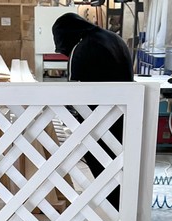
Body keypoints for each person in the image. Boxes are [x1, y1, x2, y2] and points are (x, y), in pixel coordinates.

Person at [52, 13, 133, 210]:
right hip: (124, 114)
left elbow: (74, 93)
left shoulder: (82, 47)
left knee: (102, 166)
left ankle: (113, 210)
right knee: (119, 167)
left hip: (98, 120)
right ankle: (123, 208)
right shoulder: (114, 39)